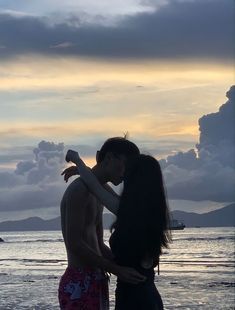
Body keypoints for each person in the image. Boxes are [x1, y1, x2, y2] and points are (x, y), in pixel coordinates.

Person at [65, 149, 172, 310]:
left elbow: (96, 187)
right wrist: (85, 170)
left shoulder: (131, 212)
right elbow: (101, 187)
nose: (123, 174)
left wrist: (77, 160)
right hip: (144, 295)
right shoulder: (147, 212)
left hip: (136, 300)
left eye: (127, 171)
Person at [58, 137, 146, 310]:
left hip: (97, 278)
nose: (126, 173)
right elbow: (74, 243)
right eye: (125, 165)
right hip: (80, 280)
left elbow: (97, 243)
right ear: (109, 158)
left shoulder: (98, 195)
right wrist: (116, 269)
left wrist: (127, 266)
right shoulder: (80, 191)